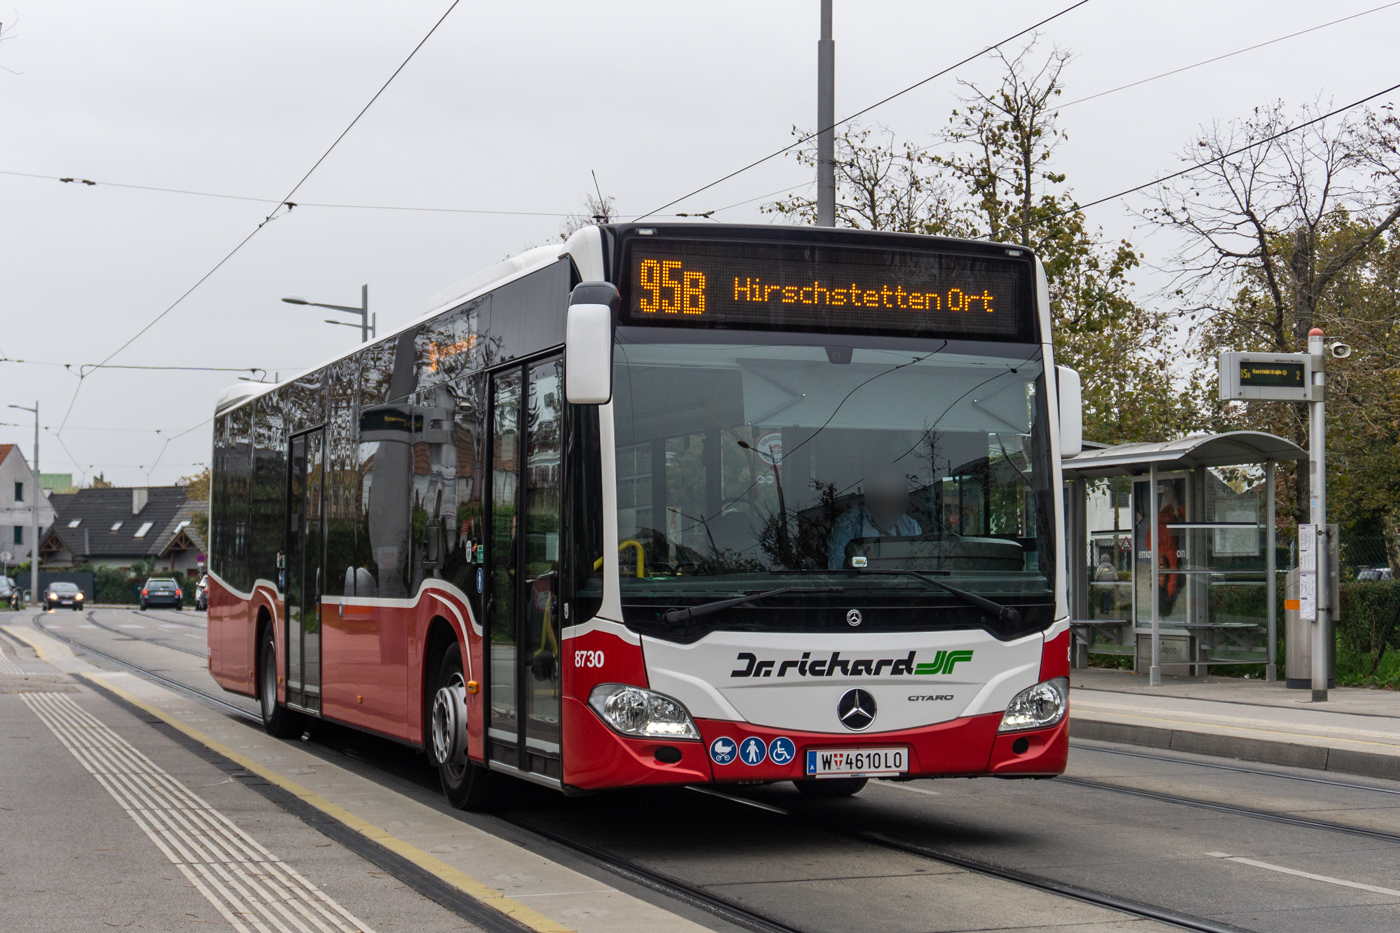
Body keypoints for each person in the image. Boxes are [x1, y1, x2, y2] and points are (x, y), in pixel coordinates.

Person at [827, 467, 922, 569]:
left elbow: (921, 563)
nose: (888, 497)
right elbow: (838, 569)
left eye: (893, 491)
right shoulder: (847, 525)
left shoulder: (910, 526)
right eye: (883, 490)